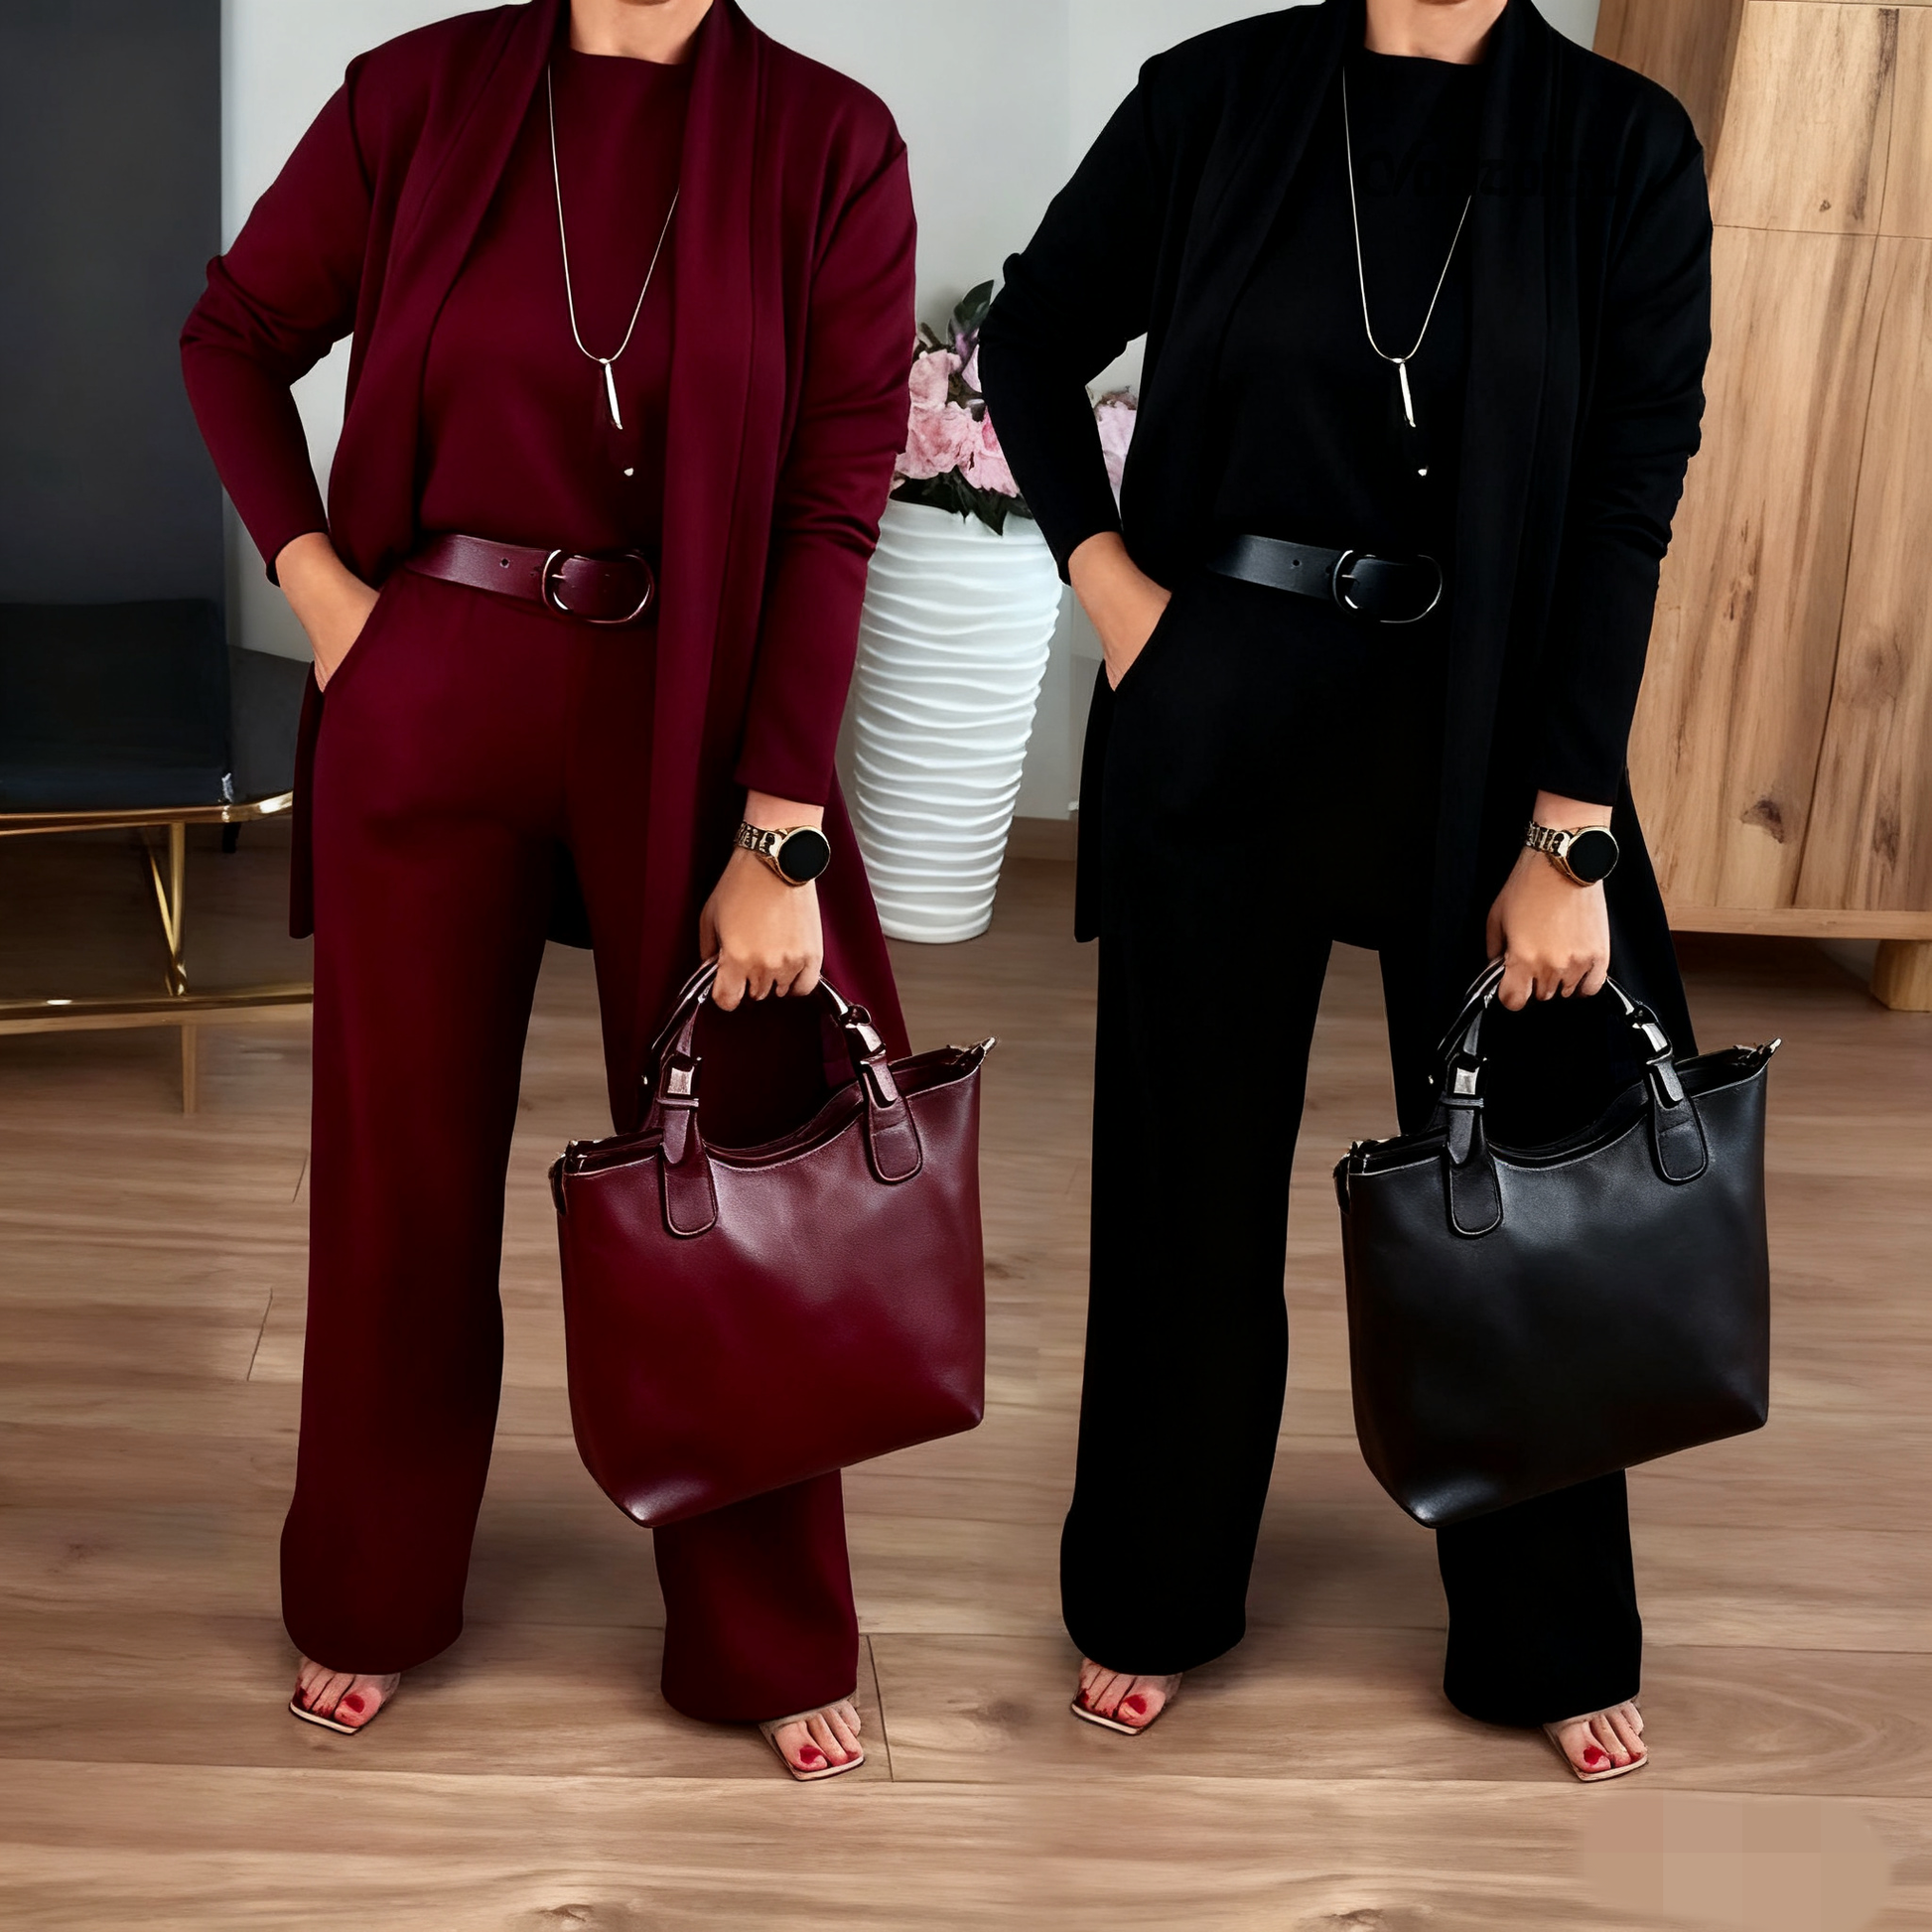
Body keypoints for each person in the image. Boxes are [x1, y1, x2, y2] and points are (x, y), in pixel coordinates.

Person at [182, 0, 916, 1782]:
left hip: (691, 711)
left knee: (736, 1156)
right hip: (434, 672)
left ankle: (762, 1628)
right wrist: (327, 598)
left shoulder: (831, 142)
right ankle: (368, 1581)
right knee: (400, 1173)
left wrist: (783, 828)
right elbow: (233, 336)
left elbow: (833, 503)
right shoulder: (416, 97)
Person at [977, 0, 1710, 1781]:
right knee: (1185, 1180)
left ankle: (1545, 1631)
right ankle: (1151, 1587)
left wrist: (1570, 829)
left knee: (1524, 1182)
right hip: (1222, 688)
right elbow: (1032, 336)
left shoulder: (1621, 144)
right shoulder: (1210, 100)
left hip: (1493, 731)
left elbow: (1627, 498)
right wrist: (1120, 602)